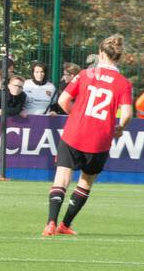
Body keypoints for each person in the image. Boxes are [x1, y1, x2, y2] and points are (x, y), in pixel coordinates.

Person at [43, 35, 134, 236]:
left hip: (74, 134)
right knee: (86, 181)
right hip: (100, 139)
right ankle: (65, 224)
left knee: (61, 179)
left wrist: (77, 115)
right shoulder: (123, 83)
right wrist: (120, 127)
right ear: (117, 58)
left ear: (101, 53)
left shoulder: (85, 74)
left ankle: (50, 223)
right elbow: (127, 114)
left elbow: (64, 100)